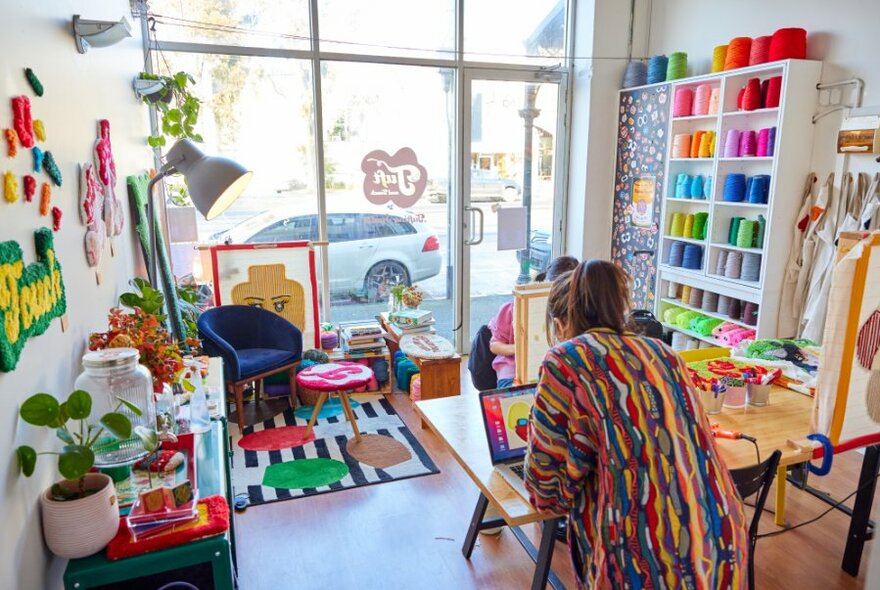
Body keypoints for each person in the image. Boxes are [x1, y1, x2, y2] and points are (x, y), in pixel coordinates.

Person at [524, 260, 748, 589]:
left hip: (642, 559)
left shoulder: (565, 360)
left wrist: (574, 458)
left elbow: (545, 491)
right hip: (720, 540)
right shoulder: (665, 353)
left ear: (560, 325)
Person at [488, 256, 578, 388]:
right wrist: (522, 349)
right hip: (513, 371)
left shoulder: (577, 310)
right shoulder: (515, 307)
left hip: (557, 369)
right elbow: (495, 345)